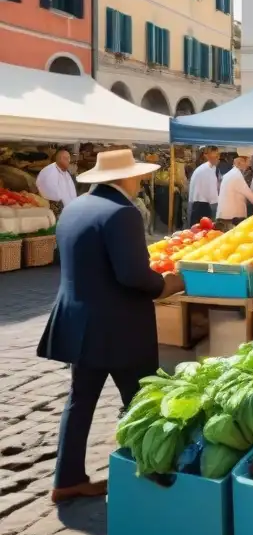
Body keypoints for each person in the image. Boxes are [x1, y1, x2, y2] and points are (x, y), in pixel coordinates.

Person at [37, 149, 184, 502]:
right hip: (119, 328)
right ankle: (151, 472)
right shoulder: (122, 213)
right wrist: (169, 284)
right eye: (136, 176)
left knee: (80, 401)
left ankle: (67, 478)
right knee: (143, 399)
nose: (139, 182)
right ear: (124, 178)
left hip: (80, 323)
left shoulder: (75, 208)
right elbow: (133, 275)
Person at [217, 156, 253, 225]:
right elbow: (251, 196)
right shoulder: (236, 176)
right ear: (240, 162)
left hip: (226, 215)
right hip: (231, 217)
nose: (249, 165)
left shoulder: (231, 173)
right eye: (248, 162)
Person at [36, 148, 78, 219]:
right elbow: (53, 195)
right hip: (58, 210)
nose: (69, 161)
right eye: (67, 159)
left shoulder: (65, 173)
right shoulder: (50, 172)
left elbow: (69, 191)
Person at [188, 147, 220, 225]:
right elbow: (212, 193)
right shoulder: (206, 170)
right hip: (201, 205)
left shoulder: (210, 168)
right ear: (207, 156)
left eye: (217, 156)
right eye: (214, 157)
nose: (217, 159)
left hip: (200, 204)